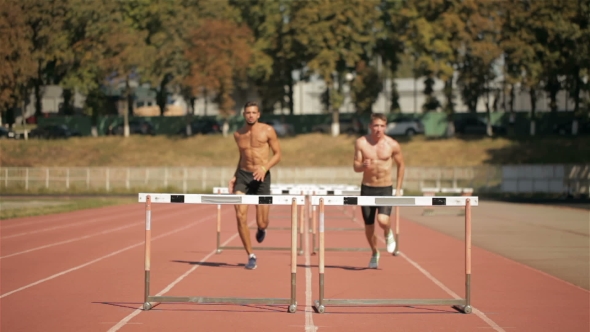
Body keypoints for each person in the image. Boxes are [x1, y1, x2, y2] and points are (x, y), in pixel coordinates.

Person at [228, 101, 282, 270]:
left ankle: (261, 228)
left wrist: (265, 168)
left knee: (262, 221)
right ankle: (251, 255)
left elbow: (278, 154)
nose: (250, 115)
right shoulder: (238, 134)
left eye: (253, 112)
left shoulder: (268, 131)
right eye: (248, 112)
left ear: (258, 114)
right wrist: (235, 176)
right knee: (240, 215)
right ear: (244, 114)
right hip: (243, 176)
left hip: (262, 176)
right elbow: (242, 156)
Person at [353, 113, 405, 269]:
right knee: (369, 227)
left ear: (385, 126)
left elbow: (401, 165)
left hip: (385, 188)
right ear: (370, 126)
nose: (378, 129)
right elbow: (355, 166)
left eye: (382, 126)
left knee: (382, 220)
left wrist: (398, 188)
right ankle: (375, 252)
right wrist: (362, 166)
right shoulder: (361, 143)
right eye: (376, 125)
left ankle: (388, 232)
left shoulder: (392, 144)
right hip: (367, 188)